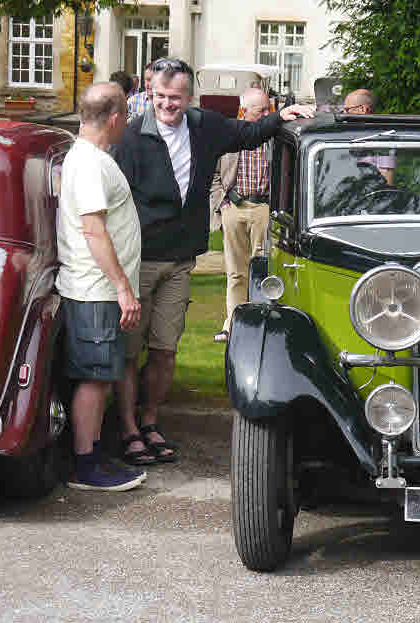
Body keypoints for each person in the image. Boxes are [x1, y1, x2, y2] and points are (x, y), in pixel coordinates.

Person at [113, 58, 315, 465]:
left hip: (181, 258)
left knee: (166, 349)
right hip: (141, 259)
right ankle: (127, 430)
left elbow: (250, 132)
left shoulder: (204, 125)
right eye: (160, 97)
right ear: (150, 94)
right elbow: (119, 203)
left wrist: (281, 116)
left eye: (175, 98)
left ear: (190, 98)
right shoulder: (133, 138)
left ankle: (150, 421)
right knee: (130, 352)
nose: (167, 105)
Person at [56, 81, 146, 490]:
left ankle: (93, 454)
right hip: (95, 289)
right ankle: (86, 465)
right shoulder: (90, 164)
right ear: (114, 119)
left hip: (99, 288)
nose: (126, 124)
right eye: (125, 116)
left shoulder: (90, 158)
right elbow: (94, 231)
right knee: (93, 377)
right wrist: (122, 287)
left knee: (102, 373)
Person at [209, 88, 273, 343]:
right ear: (244, 112)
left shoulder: (274, 138)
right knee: (236, 272)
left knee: (263, 269)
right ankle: (232, 324)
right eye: (262, 111)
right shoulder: (228, 137)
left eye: (269, 109)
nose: (269, 114)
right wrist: (222, 202)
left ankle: (260, 325)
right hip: (233, 208)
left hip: (264, 209)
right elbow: (212, 174)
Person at [342, 89, 395, 184]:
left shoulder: (381, 139)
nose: (344, 115)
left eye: (347, 110)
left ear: (363, 109)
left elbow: (386, 184)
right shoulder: (343, 134)